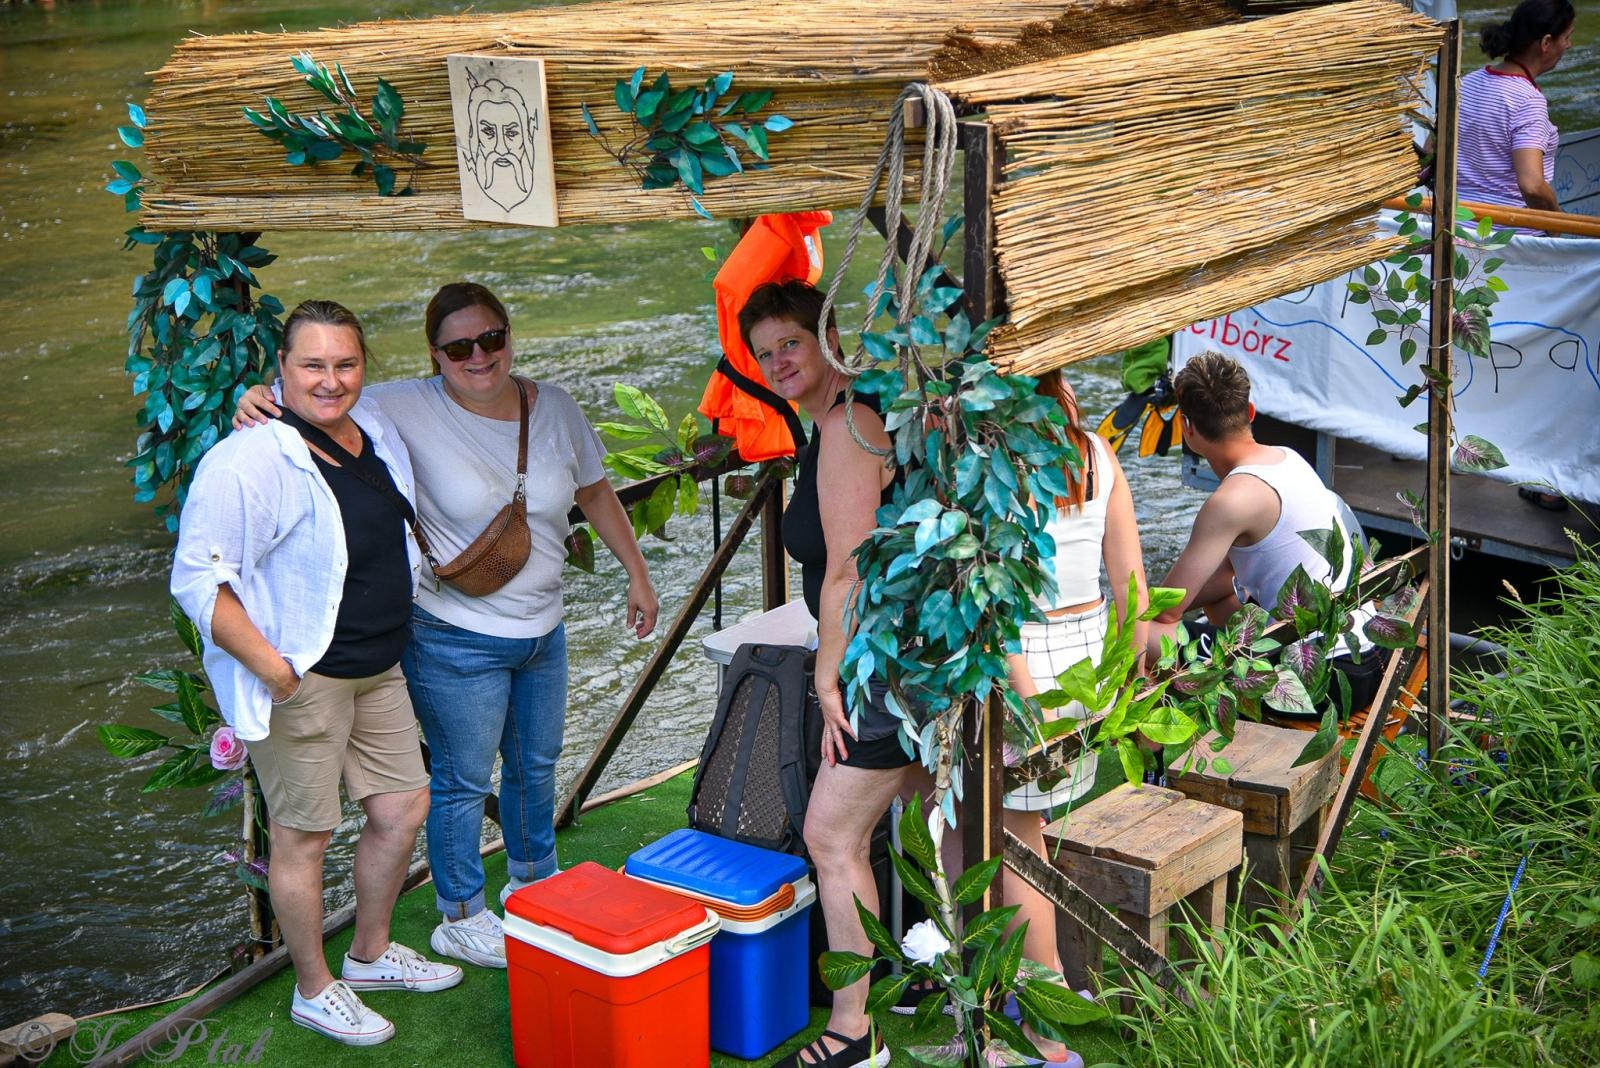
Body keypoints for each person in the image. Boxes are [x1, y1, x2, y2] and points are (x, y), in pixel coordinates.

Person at [233, 282, 659, 970]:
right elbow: (318, 392)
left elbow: (595, 490)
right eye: (459, 346)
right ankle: (460, 913)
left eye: (492, 339)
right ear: (435, 356)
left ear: (509, 337)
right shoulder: (397, 407)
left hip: (542, 629)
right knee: (462, 779)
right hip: (454, 631)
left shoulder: (553, 406)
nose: (479, 356)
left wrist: (636, 572)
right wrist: (251, 397)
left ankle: (534, 883)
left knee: (535, 763)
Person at [174, 300, 461, 1047]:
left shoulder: (374, 433)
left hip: (379, 665)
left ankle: (367, 955)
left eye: (344, 364)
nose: (330, 380)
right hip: (307, 678)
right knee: (305, 836)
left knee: (402, 810)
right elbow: (199, 581)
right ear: (280, 369)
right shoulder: (249, 458)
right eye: (312, 365)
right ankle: (313, 988)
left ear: (363, 366)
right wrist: (277, 672)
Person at [739, 280, 902, 1068]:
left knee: (831, 837)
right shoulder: (842, 416)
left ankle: (853, 1032)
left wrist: (829, 675)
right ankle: (914, 979)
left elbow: (847, 568)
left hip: (882, 663)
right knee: (895, 832)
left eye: (790, 344)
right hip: (904, 657)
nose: (777, 362)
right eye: (764, 353)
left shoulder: (844, 425)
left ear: (826, 334)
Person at [1146, 352, 1381, 713]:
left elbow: (1163, 613)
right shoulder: (1288, 458)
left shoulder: (1230, 501)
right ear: (1250, 412)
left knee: (1139, 634)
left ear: (1187, 428)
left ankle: (1155, 761)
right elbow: (1220, 582)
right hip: (1363, 660)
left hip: (1317, 681)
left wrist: (1137, 608)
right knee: (1218, 601)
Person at [1457, 0, 1577, 214]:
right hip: (1507, 234)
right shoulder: (1528, 101)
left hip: (1457, 222)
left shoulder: (1468, 82)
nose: (1568, 45)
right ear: (1546, 42)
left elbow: (1432, 151)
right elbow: (1532, 186)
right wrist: (1556, 226)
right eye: (1566, 37)